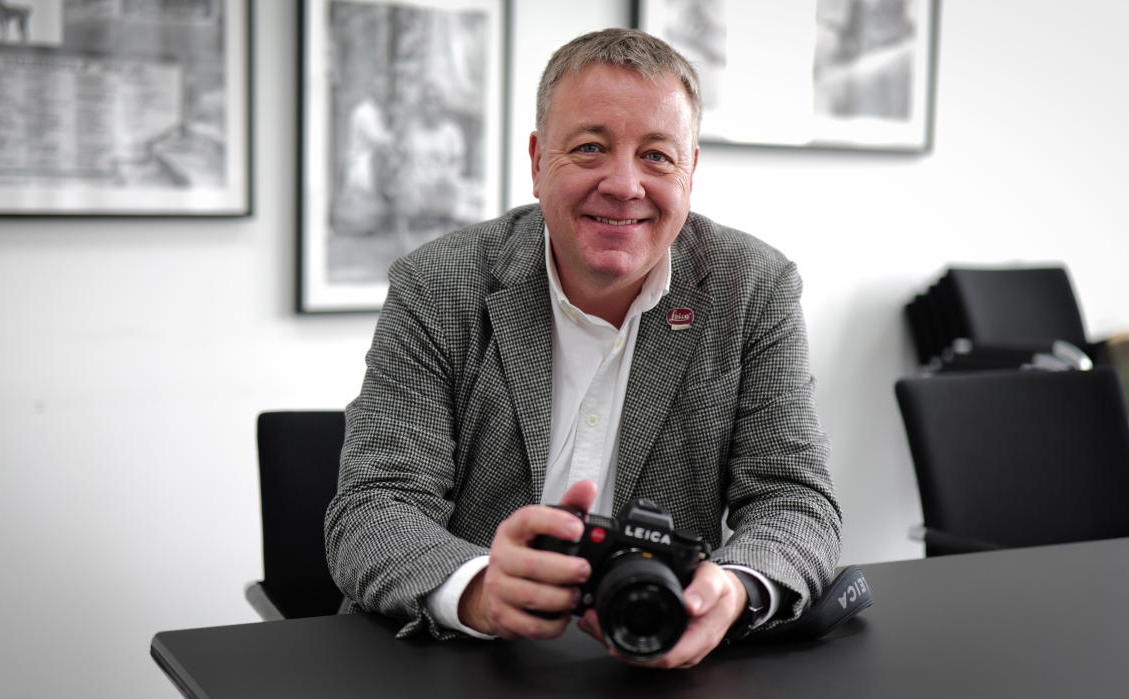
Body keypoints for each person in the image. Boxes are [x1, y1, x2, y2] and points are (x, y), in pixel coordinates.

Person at [325, 27, 842, 670]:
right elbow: (375, 506)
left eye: (656, 155)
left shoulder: (752, 288)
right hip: (459, 660)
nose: (624, 185)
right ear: (539, 161)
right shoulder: (438, 284)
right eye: (591, 147)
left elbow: (795, 500)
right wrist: (481, 589)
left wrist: (732, 589)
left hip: (660, 656)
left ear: (691, 171)